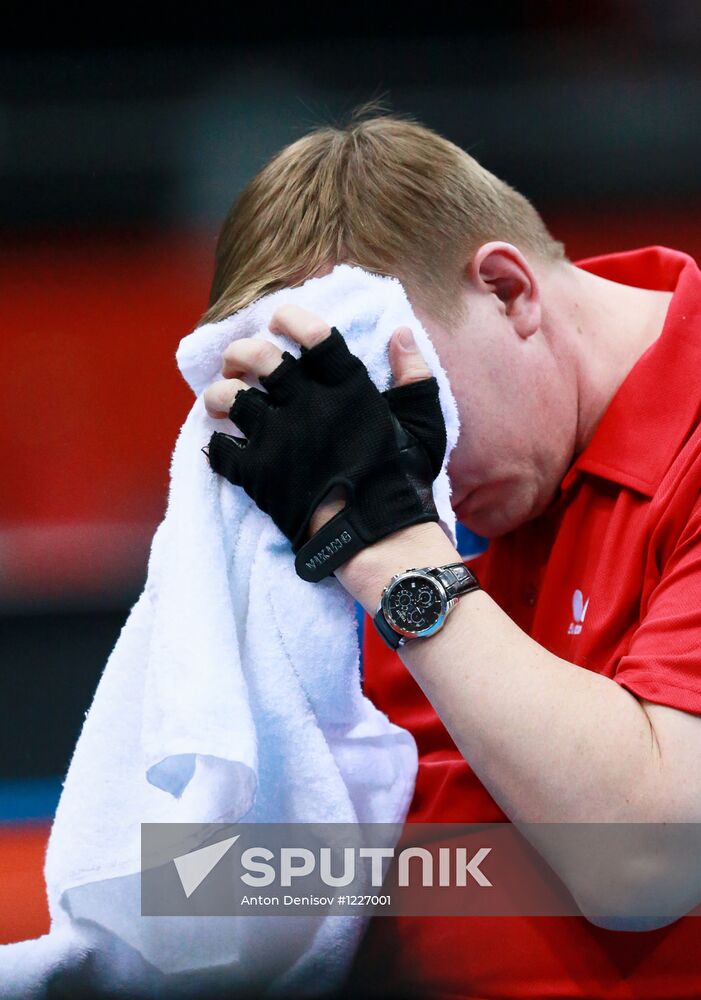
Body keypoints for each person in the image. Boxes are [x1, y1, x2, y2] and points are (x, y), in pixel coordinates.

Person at [201, 109, 701, 998]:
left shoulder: (398, 528)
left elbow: (643, 862)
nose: (375, 452)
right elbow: (221, 878)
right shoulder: (466, 486)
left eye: (388, 390)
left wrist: (396, 554)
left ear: (508, 291)